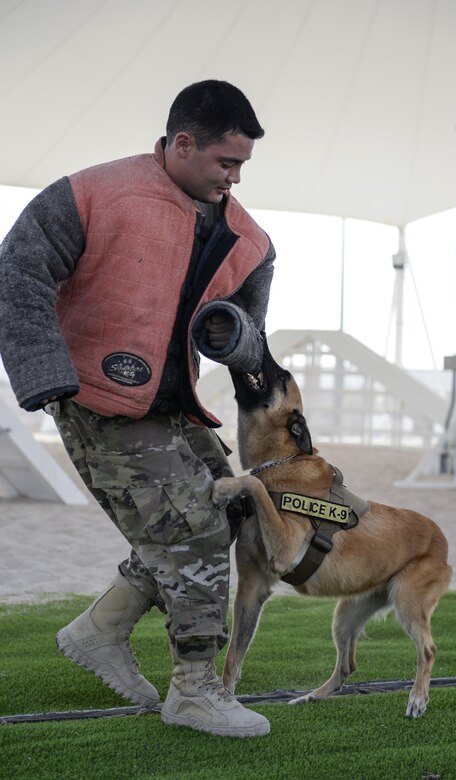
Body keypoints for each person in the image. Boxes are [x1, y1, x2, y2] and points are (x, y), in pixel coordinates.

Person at [0, 80, 275, 738]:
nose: (233, 179)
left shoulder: (251, 240)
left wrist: (235, 338)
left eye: (241, 167)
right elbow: (17, 273)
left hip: (176, 406)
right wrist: (44, 374)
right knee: (196, 528)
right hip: (95, 398)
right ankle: (194, 692)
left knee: (237, 508)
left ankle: (103, 628)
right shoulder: (90, 193)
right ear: (183, 144)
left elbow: (251, 332)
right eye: (224, 163)